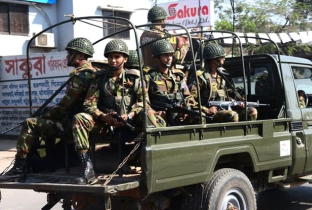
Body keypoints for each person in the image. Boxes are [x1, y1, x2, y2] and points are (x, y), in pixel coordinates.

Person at [0, 37, 98, 182]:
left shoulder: (81, 77)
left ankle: (18, 170)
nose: (67, 56)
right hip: (85, 123)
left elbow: (64, 107)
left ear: (81, 56)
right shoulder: (93, 73)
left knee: (30, 123)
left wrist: (46, 115)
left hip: (76, 124)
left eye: (70, 53)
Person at [71, 39, 165, 184]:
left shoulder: (135, 78)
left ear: (125, 59)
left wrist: (131, 114)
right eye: (110, 57)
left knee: (149, 114)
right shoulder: (99, 78)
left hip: (131, 124)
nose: (113, 60)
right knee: (80, 118)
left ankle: (153, 163)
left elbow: (143, 102)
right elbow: (89, 104)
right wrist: (103, 116)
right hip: (106, 124)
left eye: (117, 57)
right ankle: (87, 170)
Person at [190, 43, 257, 123]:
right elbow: (190, 100)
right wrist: (206, 110)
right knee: (232, 116)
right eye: (222, 57)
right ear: (214, 60)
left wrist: (236, 103)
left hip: (224, 109)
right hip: (209, 113)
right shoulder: (201, 76)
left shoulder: (223, 75)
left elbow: (226, 96)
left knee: (252, 112)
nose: (224, 59)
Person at [145, 39, 196, 126]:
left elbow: (187, 96)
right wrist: (155, 112)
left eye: (170, 55)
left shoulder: (179, 76)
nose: (169, 58)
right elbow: (144, 101)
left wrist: (185, 110)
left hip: (178, 114)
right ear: (157, 58)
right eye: (165, 55)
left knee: (199, 116)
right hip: (160, 115)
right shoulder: (149, 77)